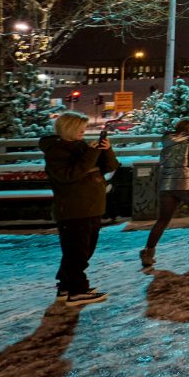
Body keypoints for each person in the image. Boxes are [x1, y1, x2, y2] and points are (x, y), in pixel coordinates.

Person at [41, 111, 119, 306]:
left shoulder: (81, 146)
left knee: (80, 250)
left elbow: (109, 167)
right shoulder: (57, 151)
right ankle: (77, 290)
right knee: (78, 252)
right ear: (70, 129)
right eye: (81, 128)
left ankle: (66, 287)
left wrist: (106, 150)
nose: (84, 131)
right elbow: (70, 175)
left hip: (91, 207)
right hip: (74, 209)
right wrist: (92, 153)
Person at [139, 117, 189, 267]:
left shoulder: (168, 142)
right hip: (188, 184)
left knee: (163, 220)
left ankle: (148, 252)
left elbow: (163, 162)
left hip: (167, 185)